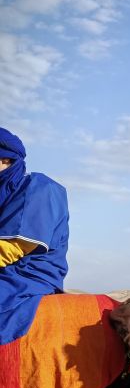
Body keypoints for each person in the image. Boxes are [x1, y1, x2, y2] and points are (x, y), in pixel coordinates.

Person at [0, 127, 70, 344]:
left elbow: (13, 248)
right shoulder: (5, 192)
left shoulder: (39, 188)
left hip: (27, 273)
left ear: (5, 159)